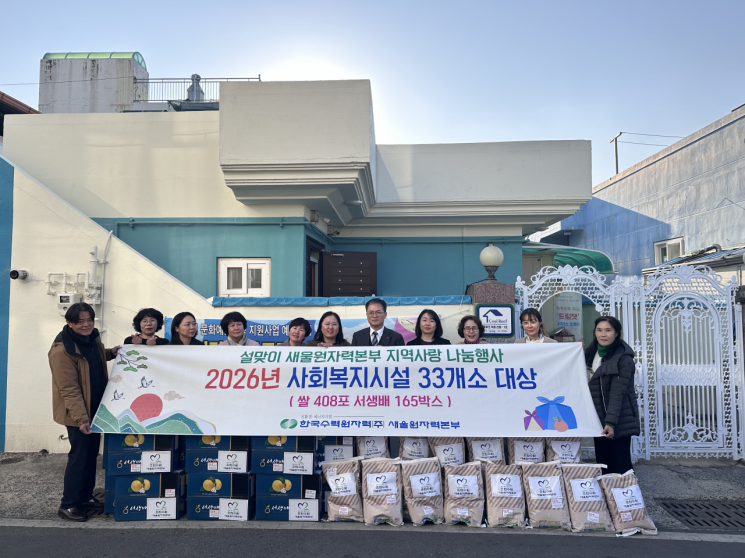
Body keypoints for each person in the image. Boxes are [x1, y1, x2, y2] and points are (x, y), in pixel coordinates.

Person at [48, 302, 121, 522]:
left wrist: (110, 353)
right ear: (69, 323)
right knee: (79, 458)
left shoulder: (92, 338)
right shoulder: (62, 350)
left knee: (91, 456)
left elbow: (93, 361)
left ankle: (85, 496)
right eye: (80, 321)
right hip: (78, 414)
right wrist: (81, 419)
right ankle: (68, 504)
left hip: (96, 409)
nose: (86, 324)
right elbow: (68, 389)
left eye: (89, 320)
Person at [585, 316, 640, 475]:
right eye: (599, 330)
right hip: (598, 419)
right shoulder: (591, 353)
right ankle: (608, 492)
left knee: (622, 467)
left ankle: (627, 492)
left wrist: (611, 422)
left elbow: (618, 393)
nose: (603, 334)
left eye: (608, 330)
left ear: (616, 333)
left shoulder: (624, 358)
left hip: (619, 419)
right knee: (604, 465)